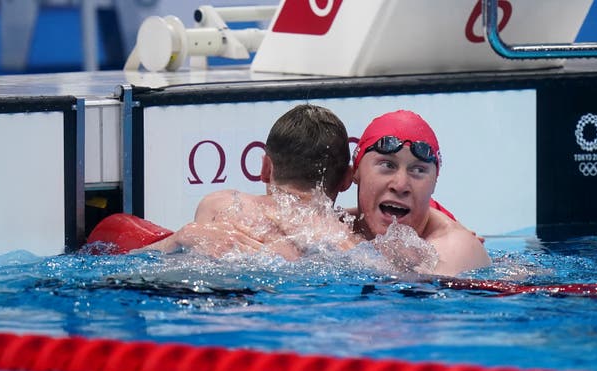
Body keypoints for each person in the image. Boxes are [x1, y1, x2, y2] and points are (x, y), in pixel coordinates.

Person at [141, 104, 358, 259]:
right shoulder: (343, 238)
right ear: (347, 179)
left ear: (266, 168)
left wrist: (178, 238)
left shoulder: (220, 204)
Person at [350, 109, 491, 276]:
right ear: (355, 171)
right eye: (387, 165)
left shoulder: (454, 249)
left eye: (418, 169)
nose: (401, 185)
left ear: (434, 183)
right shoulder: (327, 227)